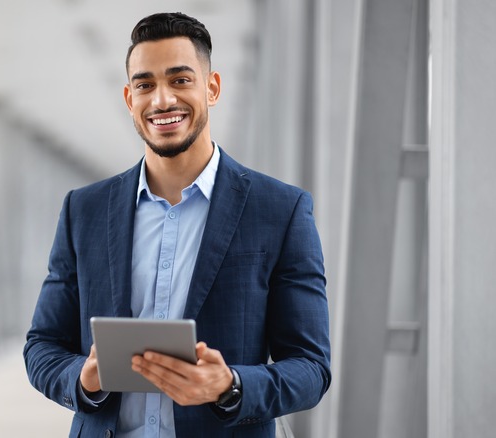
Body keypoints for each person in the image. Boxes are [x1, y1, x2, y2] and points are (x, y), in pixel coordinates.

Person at [24, 12, 331, 438]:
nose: (162, 100)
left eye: (180, 80)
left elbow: (312, 368)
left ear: (212, 87)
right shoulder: (84, 211)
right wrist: (84, 378)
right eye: (145, 84)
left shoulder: (280, 210)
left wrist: (230, 385)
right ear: (130, 99)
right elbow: (41, 346)